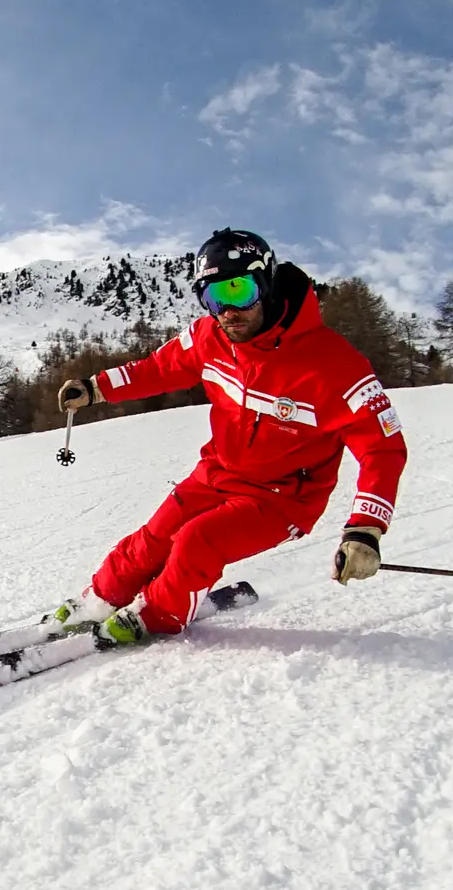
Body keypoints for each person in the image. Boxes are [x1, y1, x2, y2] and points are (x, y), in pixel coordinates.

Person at [48, 228, 408, 646]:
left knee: (197, 542)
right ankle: (100, 600)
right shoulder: (210, 337)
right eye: (213, 297)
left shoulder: (335, 365)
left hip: (281, 498)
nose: (228, 311)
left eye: (238, 290)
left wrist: (366, 529)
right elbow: (157, 368)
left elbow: (383, 448)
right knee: (153, 538)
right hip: (217, 472)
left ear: (266, 283)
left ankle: (159, 613)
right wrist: (96, 388)